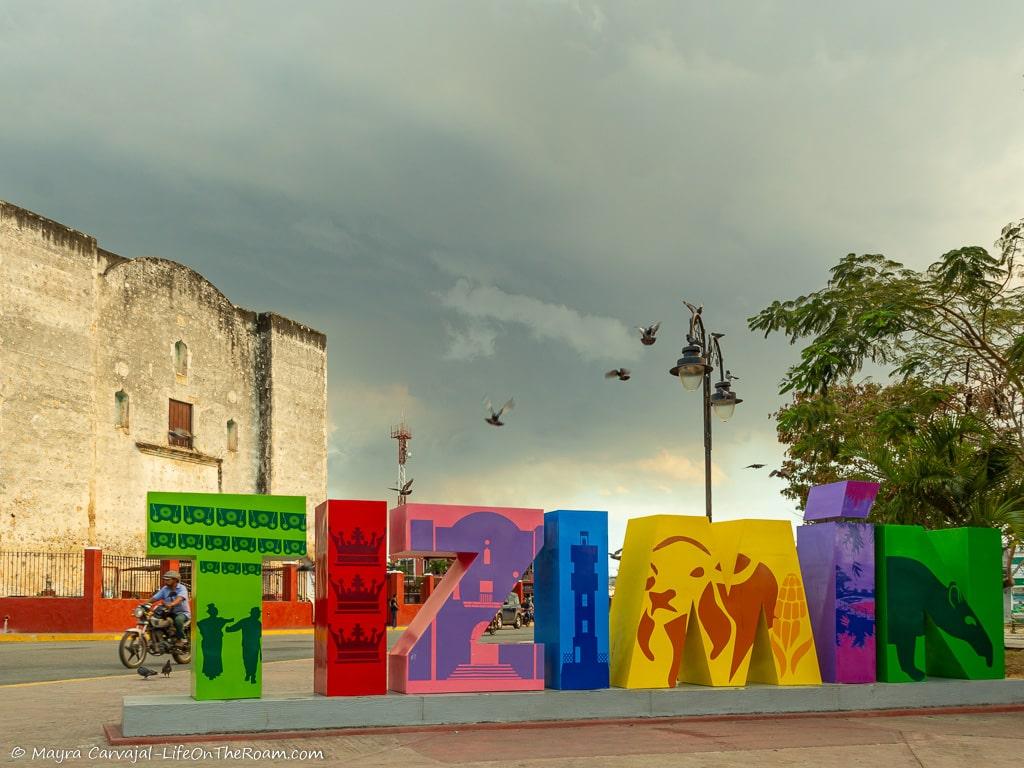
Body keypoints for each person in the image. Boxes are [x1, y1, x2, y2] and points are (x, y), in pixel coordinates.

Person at [148, 570, 191, 646]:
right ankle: (156, 638)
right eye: (165, 579)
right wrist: (144, 604)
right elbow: (155, 598)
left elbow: (180, 598)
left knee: (178, 620)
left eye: (168, 580)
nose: (165, 581)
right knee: (153, 619)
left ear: (175, 580)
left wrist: (172, 604)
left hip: (182, 613)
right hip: (169, 612)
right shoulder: (165, 589)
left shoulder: (182, 588)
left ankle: (182, 639)